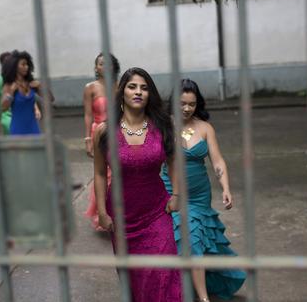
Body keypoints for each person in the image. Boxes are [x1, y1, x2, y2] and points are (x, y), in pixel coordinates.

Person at [93, 67, 182, 302]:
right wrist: (101, 212)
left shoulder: (163, 126)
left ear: (150, 94)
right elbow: (101, 174)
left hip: (156, 211)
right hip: (121, 216)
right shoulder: (104, 131)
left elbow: (174, 162)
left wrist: (177, 195)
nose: (138, 92)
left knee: (164, 270)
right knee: (135, 278)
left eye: (144, 88)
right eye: (132, 86)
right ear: (122, 92)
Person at [161, 79, 246, 301]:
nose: (187, 108)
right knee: (188, 242)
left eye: (192, 104)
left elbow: (218, 162)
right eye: (182, 103)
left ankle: (200, 294)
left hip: (199, 196)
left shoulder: (205, 128)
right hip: (172, 192)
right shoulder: (162, 126)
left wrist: (225, 187)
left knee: (195, 242)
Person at [83, 52, 120, 230]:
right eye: (100, 63)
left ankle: (117, 211)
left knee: (117, 172)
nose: (104, 66)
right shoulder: (90, 87)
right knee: (102, 173)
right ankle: (102, 214)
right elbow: (88, 114)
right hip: (98, 132)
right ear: (96, 67)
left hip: (117, 131)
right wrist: (88, 139)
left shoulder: (119, 86)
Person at [1, 50, 43, 135]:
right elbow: (4, 107)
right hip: (18, 129)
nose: (26, 67)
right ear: (14, 67)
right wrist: (11, 92)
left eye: (27, 64)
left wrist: (40, 87)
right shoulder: (9, 85)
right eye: (23, 64)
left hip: (34, 127)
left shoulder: (31, 83)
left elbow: (51, 98)